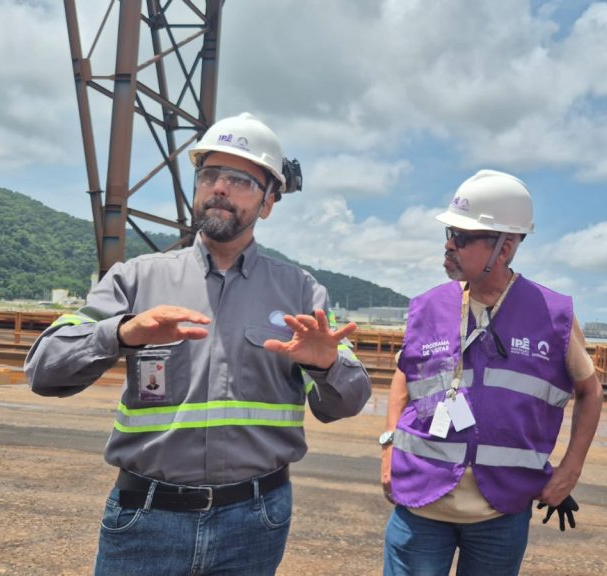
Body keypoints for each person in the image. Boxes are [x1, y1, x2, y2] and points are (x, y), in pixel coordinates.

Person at [25, 113, 372, 575]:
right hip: (145, 517)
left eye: (240, 180)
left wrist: (327, 365)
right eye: (209, 175)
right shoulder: (136, 278)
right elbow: (43, 369)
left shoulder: (302, 293)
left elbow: (347, 403)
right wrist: (123, 332)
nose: (219, 188)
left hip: (254, 520)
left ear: (269, 201)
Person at [379, 169, 604, 575]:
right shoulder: (428, 307)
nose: (449, 244)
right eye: (449, 232)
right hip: (421, 504)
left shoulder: (552, 316)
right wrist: (388, 448)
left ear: (506, 248)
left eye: (462, 237)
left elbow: (590, 392)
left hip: (500, 510)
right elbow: (404, 378)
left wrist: (571, 470)